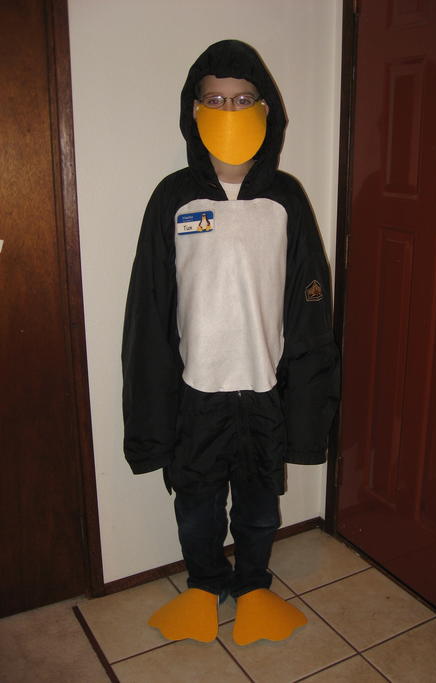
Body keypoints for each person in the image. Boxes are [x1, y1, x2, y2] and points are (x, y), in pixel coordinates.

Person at [122, 39, 339, 645]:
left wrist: (307, 415)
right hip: (197, 392)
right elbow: (149, 311)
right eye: (215, 99)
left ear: (265, 108)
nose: (229, 109)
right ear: (194, 110)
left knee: (258, 504)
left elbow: (310, 310)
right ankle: (204, 582)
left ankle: (253, 585)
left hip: (263, 389)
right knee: (196, 503)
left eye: (242, 98)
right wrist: (150, 420)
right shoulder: (173, 198)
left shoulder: (284, 199)